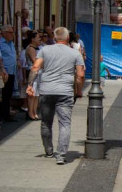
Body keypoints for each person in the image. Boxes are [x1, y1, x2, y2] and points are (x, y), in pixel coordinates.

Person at [26, 27, 84, 165]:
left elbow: (35, 67)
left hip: (46, 90)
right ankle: (61, 155)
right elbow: (80, 75)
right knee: (64, 124)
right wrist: (78, 91)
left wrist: (29, 85)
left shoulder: (44, 50)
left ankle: (49, 151)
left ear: (55, 37)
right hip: (65, 91)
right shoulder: (75, 53)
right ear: (67, 38)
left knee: (46, 122)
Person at [0, 25, 17, 122]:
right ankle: (0, 115)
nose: (12, 34)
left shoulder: (11, 43)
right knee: (2, 94)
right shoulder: (0, 43)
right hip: (4, 72)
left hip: (12, 71)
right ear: (4, 33)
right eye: (10, 32)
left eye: (13, 32)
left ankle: (6, 114)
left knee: (8, 94)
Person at [22, 31, 41, 120]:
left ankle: (34, 111)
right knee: (32, 93)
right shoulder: (30, 49)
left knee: (37, 94)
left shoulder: (37, 48)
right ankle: (30, 112)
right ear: (32, 39)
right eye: (38, 37)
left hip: (38, 72)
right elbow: (35, 61)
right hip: (32, 71)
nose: (40, 39)